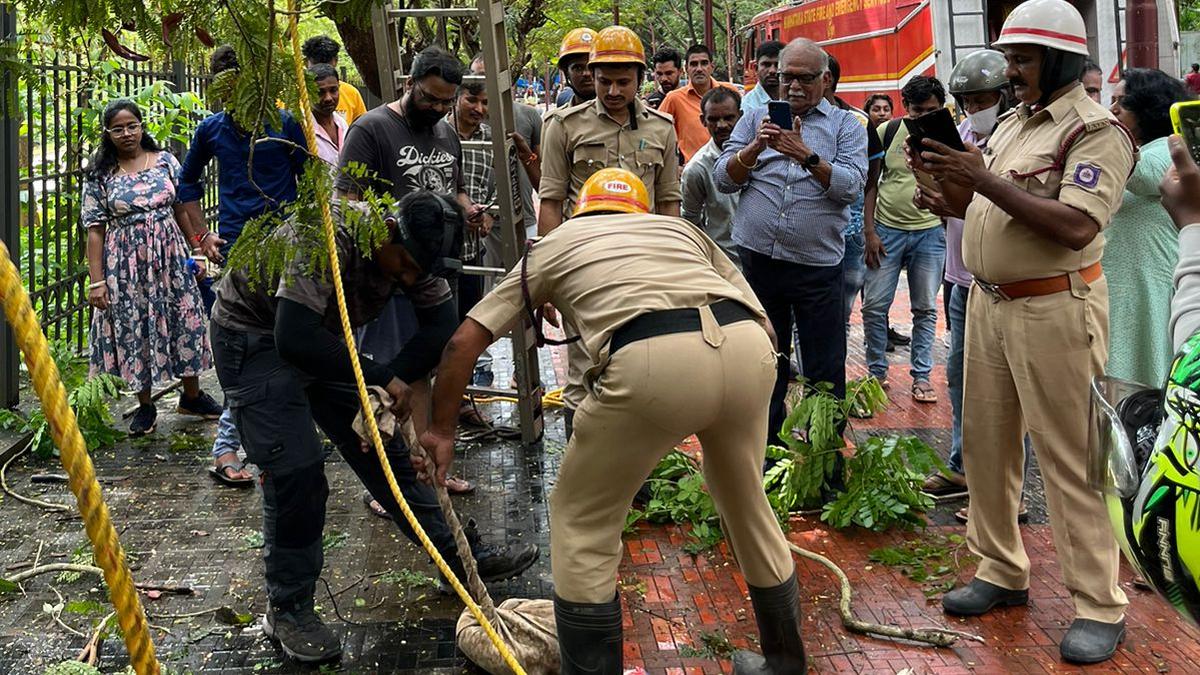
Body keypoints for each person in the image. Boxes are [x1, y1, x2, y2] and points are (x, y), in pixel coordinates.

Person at [416, 169, 805, 675]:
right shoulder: (682, 231)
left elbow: (463, 342)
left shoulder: (558, 242)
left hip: (650, 361)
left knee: (582, 520)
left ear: (582, 210)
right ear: (639, 212)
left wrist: (441, 432)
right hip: (750, 350)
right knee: (746, 500)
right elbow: (766, 323)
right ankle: (784, 661)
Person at [209, 192, 539, 663]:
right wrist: (379, 375)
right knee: (297, 470)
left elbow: (440, 323)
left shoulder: (417, 249)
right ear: (386, 231)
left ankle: (458, 558)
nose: (406, 278)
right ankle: (288, 607)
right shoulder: (326, 236)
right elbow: (293, 337)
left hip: (320, 337)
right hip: (256, 337)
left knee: (385, 449)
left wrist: (395, 378)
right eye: (403, 264)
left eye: (416, 272)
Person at [915, 0, 1136, 663]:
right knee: (985, 445)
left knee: (1069, 457)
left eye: (1022, 59)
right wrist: (952, 194)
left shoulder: (1096, 131)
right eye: (1009, 57)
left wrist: (981, 178)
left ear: (1059, 59)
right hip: (989, 303)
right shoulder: (1014, 123)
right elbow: (994, 206)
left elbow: (1074, 226)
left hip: (1055, 308)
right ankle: (1001, 569)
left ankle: (1100, 604)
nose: (1009, 71)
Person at [335, 46, 483, 506]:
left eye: (446, 101)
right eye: (431, 98)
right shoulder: (371, 129)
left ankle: (427, 471)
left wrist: (467, 211)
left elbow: (454, 189)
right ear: (409, 84)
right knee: (399, 375)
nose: (439, 109)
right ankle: (392, 482)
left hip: (433, 269)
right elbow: (344, 201)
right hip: (389, 270)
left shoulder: (445, 133)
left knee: (429, 365)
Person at [715, 37, 868, 441]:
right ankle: (766, 458)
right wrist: (753, 149)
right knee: (765, 365)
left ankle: (825, 464)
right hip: (759, 265)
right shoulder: (754, 119)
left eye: (805, 78)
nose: (794, 87)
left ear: (826, 79)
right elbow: (721, 179)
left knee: (824, 371)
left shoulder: (846, 126)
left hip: (816, 270)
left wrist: (805, 155)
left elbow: (851, 188)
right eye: (786, 78)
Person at [538, 25, 682, 438]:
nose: (613, 91)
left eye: (623, 81)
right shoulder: (563, 126)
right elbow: (550, 203)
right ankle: (581, 477)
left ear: (640, 78)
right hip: (584, 269)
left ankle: (635, 477)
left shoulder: (662, 129)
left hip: (643, 271)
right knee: (584, 374)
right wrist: (547, 280)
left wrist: (672, 272)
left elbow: (669, 204)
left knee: (643, 368)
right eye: (604, 81)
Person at [179, 44, 308, 487]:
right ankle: (234, 447)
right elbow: (187, 184)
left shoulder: (285, 124)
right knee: (249, 347)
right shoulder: (211, 130)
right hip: (239, 250)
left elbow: (311, 181)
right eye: (224, 86)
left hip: (287, 247)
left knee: (286, 342)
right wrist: (201, 236)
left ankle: (273, 439)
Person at [917, 49, 1034, 524]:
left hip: (1009, 284)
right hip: (962, 276)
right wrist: (934, 193)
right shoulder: (962, 136)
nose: (972, 109)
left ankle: (1013, 493)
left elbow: (1017, 207)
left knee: (1013, 395)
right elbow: (960, 202)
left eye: (981, 99)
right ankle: (965, 468)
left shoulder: (1013, 140)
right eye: (965, 101)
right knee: (965, 380)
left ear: (1002, 96)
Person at [82, 99, 221, 437]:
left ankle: (192, 396)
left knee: (183, 318)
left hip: (171, 256)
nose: (126, 133)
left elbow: (181, 209)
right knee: (135, 326)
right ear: (107, 133)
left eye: (132, 125)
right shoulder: (100, 174)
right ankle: (145, 405)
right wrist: (97, 282)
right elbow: (95, 231)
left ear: (142, 126)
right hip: (126, 267)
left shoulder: (165, 162)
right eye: (118, 128)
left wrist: (197, 250)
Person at [861, 75, 947, 401]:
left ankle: (922, 377)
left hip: (929, 235)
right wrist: (869, 232)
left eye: (931, 110)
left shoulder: (947, 136)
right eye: (917, 110)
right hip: (886, 232)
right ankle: (876, 372)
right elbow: (871, 184)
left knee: (925, 309)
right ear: (906, 108)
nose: (923, 117)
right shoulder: (889, 132)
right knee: (874, 306)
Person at [1104, 69, 1191, 386]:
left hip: (1146, 287)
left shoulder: (1169, 150)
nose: (1111, 109)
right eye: (1110, 100)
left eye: (1121, 102)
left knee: (1143, 378)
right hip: (1119, 287)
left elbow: (1144, 176)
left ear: (1148, 107)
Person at [448, 77, 498, 402]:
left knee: (470, 321)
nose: (479, 109)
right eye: (471, 100)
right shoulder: (436, 134)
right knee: (441, 327)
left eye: (484, 103)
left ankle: (464, 397)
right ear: (457, 97)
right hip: (440, 250)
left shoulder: (490, 140)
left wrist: (491, 213)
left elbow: (497, 187)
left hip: (473, 251)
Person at [826, 54, 884, 329]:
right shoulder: (792, 118)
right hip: (813, 234)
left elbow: (871, 180)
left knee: (842, 313)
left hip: (851, 234)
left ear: (827, 79)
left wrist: (869, 231)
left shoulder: (858, 122)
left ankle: (836, 370)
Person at [467, 54, 543, 246]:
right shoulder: (464, 120)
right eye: (479, 76)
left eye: (491, 76)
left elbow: (542, 168)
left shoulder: (529, 115)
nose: (486, 82)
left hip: (523, 217)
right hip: (480, 223)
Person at [682, 87, 743, 267]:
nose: (722, 125)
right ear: (703, 120)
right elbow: (690, 221)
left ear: (741, 116)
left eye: (729, 118)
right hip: (726, 266)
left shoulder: (762, 153)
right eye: (714, 119)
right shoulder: (697, 168)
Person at [659, 44, 739, 163]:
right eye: (694, 64)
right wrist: (673, 167)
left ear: (712, 67)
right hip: (695, 172)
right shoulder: (674, 98)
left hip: (732, 167)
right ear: (686, 68)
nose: (699, 69)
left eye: (704, 63)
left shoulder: (730, 92)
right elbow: (657, 134)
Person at [301, 35, 367, 125]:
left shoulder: (351, 93)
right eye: (317, 65)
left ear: (335, 61)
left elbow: (361, 128)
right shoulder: (290, 96)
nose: (322, 70)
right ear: (305, 62)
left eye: (327, 65)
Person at [308, 64, 347, 173]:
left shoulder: (342, 125)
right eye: (320, 92)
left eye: (333, 90)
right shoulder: (302, 129)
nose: (328, 98)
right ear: (308, 93)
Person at [555, 28, 598, 108]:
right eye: (578, 68)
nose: (587, 73)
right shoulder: (559, 117)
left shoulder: (625, 114)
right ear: (566, 73)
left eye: (592, 67)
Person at [741, 40, 784, 112]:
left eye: (777, 65)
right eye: (766, 65)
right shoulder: (747, 106)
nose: (772, 71)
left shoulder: (795, 100)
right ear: (755, 68)